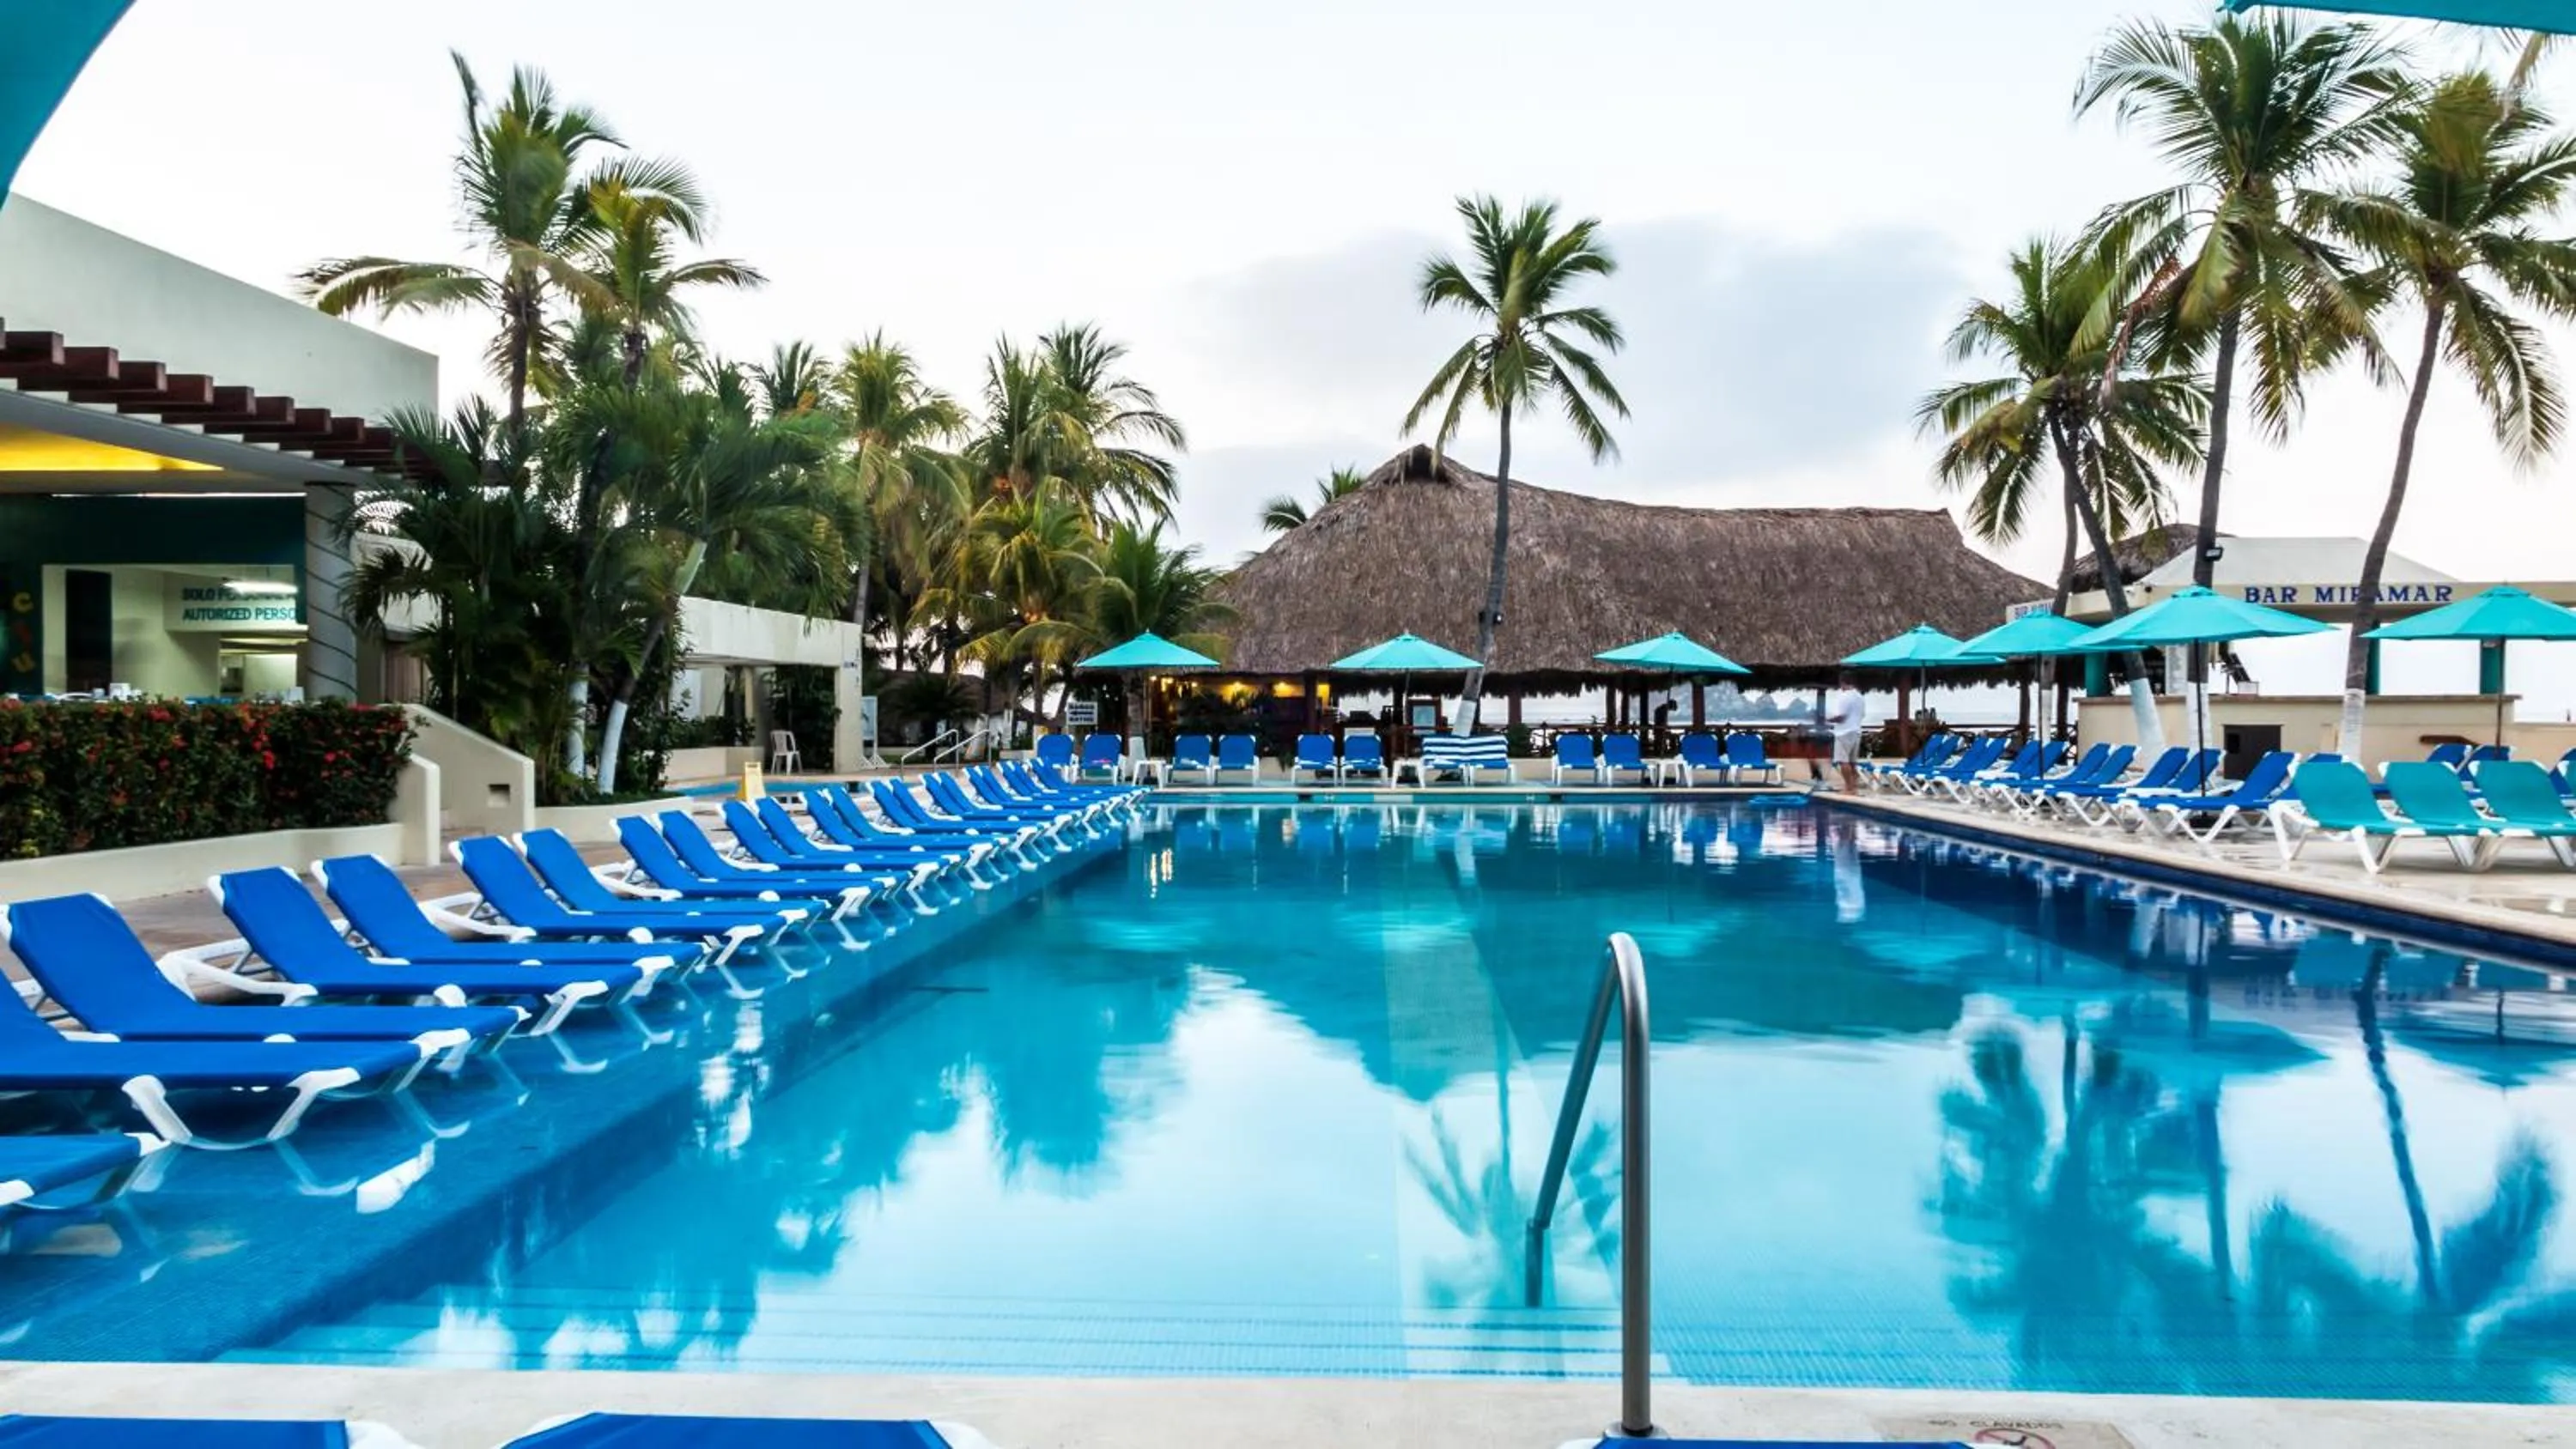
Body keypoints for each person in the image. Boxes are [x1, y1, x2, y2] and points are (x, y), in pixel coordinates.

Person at [1826, 671, 1867, 793]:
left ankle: (1848, 788)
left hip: (1843, 732)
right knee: (1852, 762)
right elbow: (1862, 715)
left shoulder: (1844, 697)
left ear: (1842, 682)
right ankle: (1853, 788)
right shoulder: (1859, 697)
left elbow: (1841, 717)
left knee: (1843, 762)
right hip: (1856, 731)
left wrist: (1826, 720)